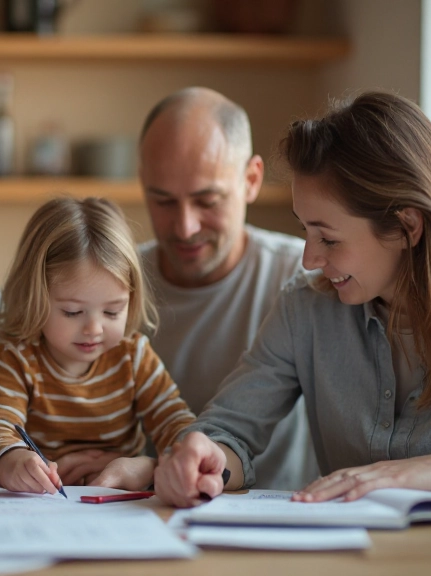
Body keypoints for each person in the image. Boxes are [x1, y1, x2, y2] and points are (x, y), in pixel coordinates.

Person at [154, 91, 431, 507]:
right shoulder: (305, 308)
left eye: (328, 239)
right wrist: (206, 455)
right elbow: (230, 430)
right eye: (304, 232)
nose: (310, 259)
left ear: (407, 226)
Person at [136, 87, 318, 491]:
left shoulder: (306, 278)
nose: (185, 227)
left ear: (251, 179)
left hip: (277, 524)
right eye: (163, 201)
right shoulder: (115, 284)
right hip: (139, 511)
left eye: (207, 200)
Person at [0, 197, 196, 494]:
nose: (94, 329)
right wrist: (12, 460)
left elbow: (176, 424)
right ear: (34, 297)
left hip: (124, 503)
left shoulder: (133, 355)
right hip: (47, 504)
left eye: (112, 312)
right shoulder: (17, 357)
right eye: (73, 312)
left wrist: (151, 466)